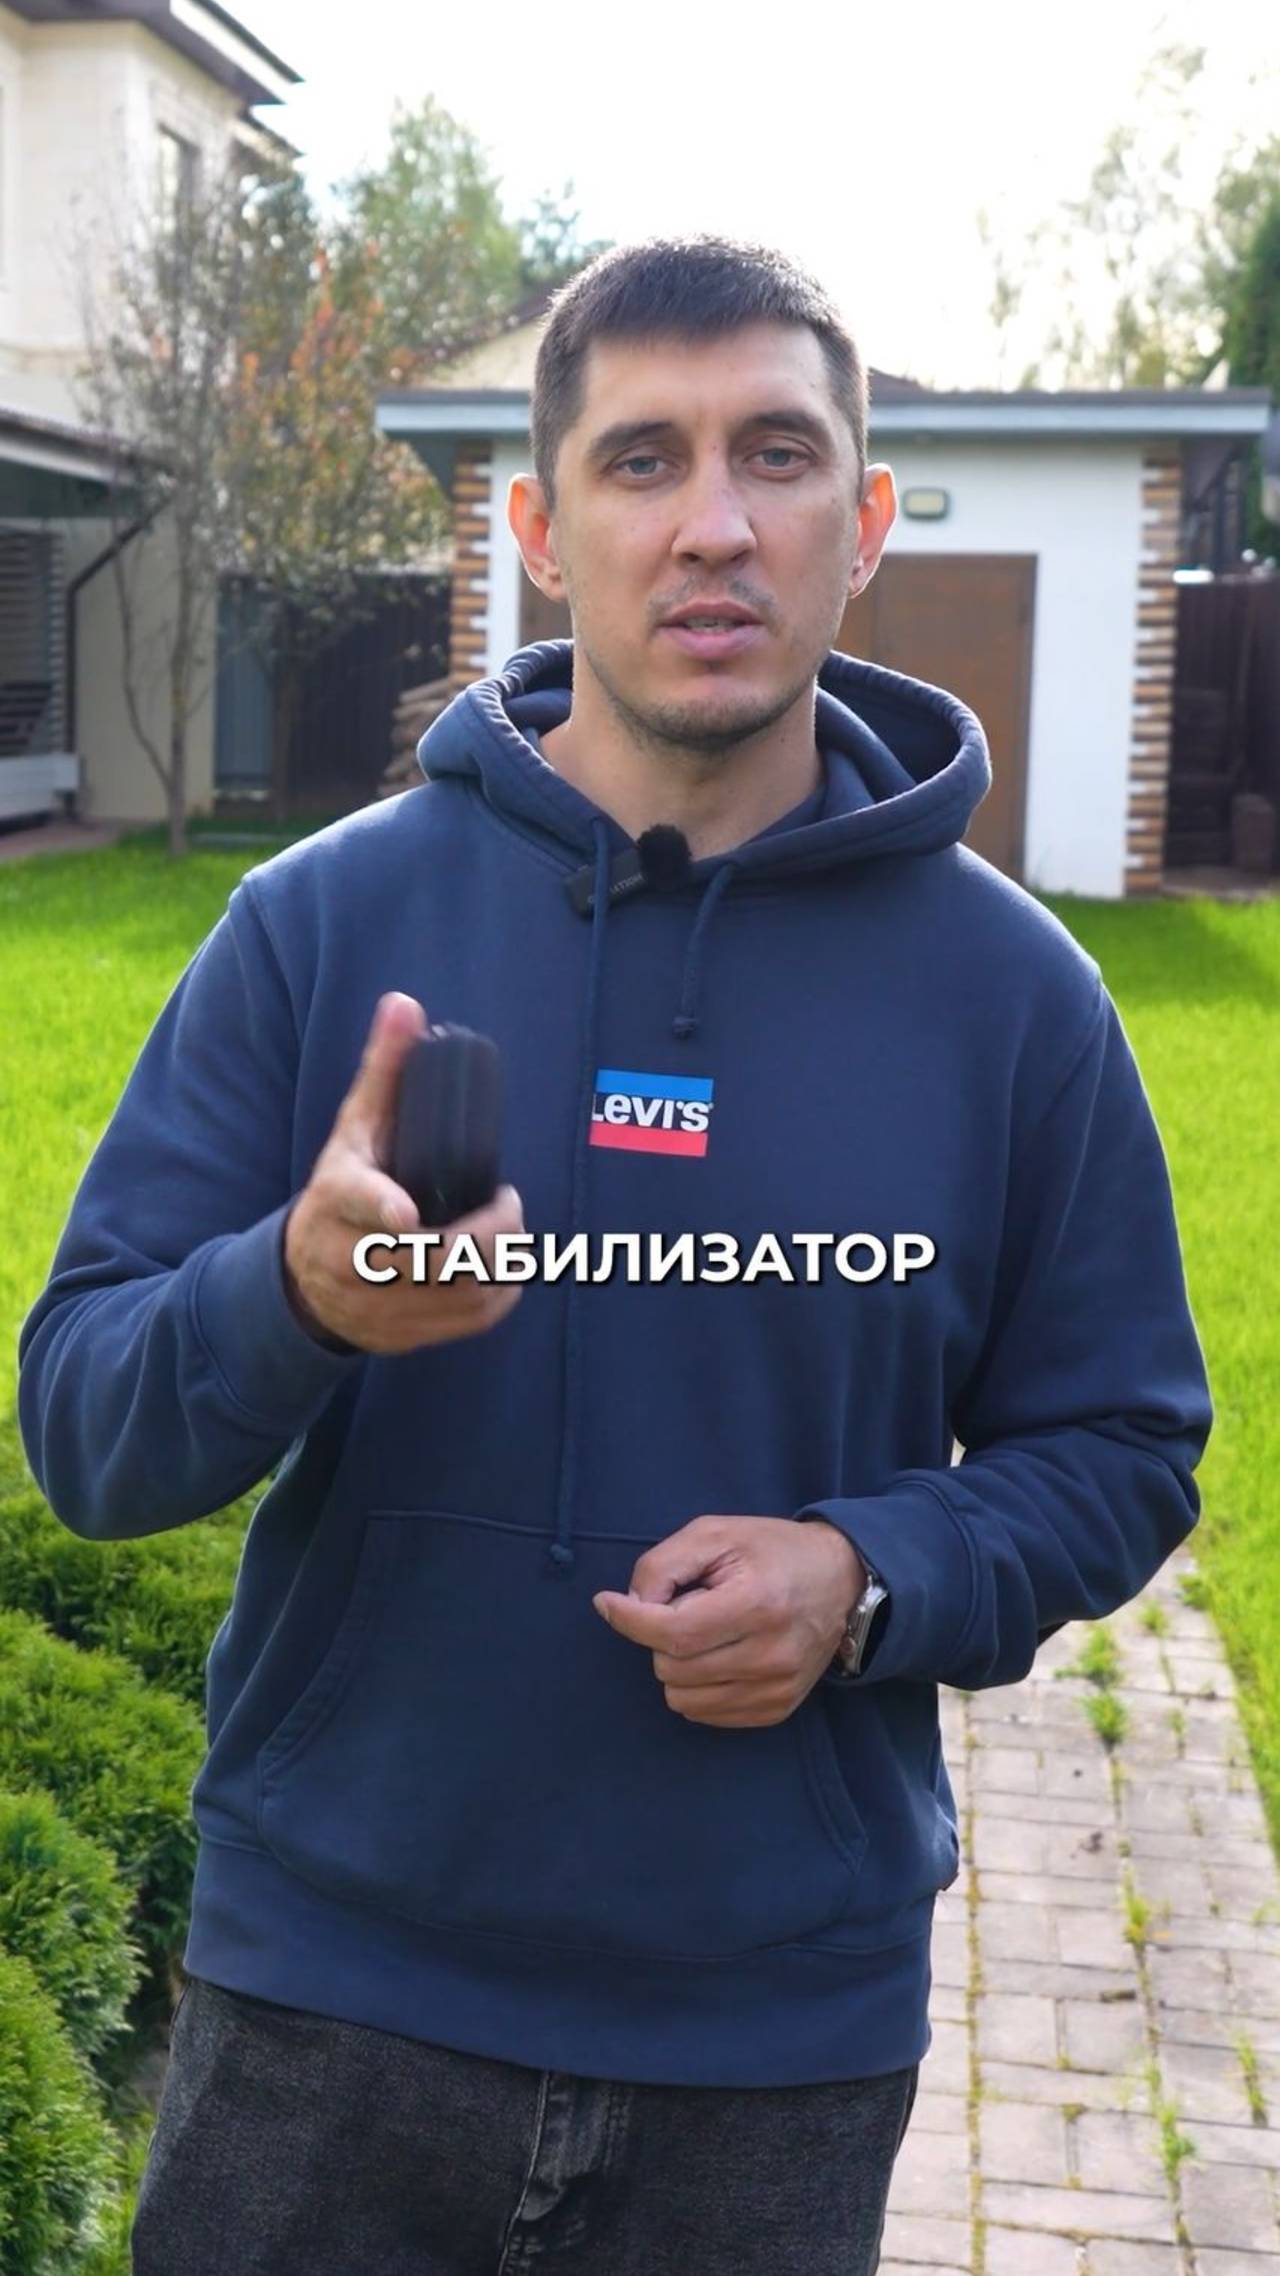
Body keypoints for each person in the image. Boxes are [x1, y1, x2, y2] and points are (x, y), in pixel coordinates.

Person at [17, 233, 1213, 2275]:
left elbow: (1120, 1447)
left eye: (775, 456)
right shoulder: (317, 929)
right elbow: (85, 1430)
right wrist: (293, 1298)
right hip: (329, 2002)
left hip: (772, 2047)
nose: (712, 523)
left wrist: (867, 1574)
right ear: (540, 530)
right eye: (642, 459)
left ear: (864, 523)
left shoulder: (1018, 1003)